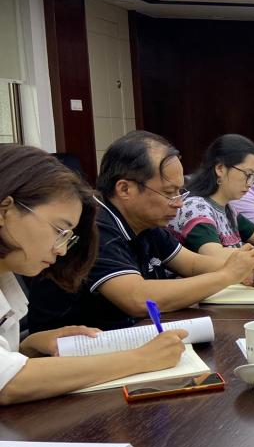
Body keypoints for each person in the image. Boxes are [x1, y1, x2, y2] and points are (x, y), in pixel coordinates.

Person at [0, 144, 187, 404]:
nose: (61, 250)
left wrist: (29, 346)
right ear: (5, 211)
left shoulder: (6, 277)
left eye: (68, 237)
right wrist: (142, 358)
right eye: (59, 230)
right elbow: (9, 382)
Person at [28, 131, 254, 332]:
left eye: (180, 191)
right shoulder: (95, 226)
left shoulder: (146, 221)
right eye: (169, 192)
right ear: (125, 189)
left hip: (134, 335)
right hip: (74, 353)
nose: (179, 203)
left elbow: (192, 264)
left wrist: (245, 268)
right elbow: (138, 298)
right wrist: (227, 275)